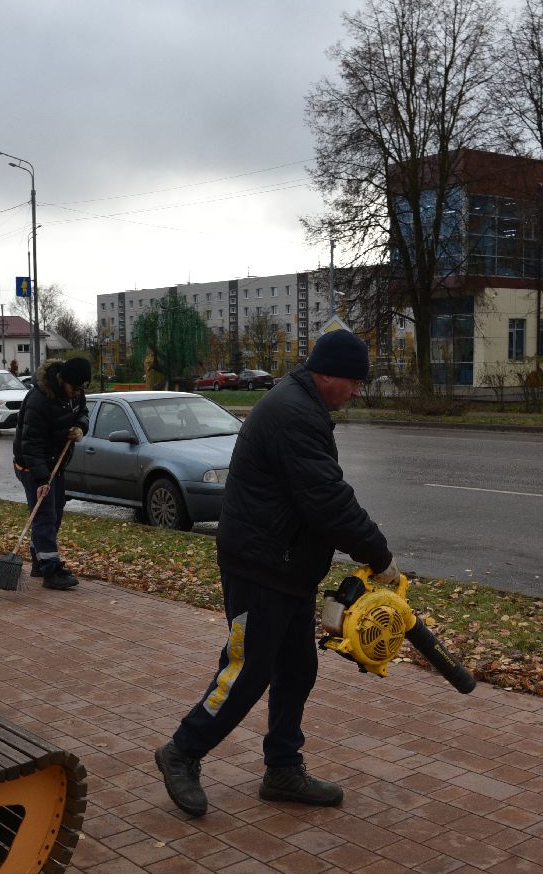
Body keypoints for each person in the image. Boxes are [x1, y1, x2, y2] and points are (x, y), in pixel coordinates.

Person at [154, 329, 397, 818]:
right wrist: (378, 555)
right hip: (259, 567)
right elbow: (327, 498)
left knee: (296, 671)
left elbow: (314, 497)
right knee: (248, 670)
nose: (356, 392)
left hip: (285, 567)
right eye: (353, 382)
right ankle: (181, 752)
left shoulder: (303, 406)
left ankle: (282, 769)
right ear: (328, 374)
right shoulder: (294, 414)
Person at [11, 356, 91, 590]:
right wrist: (42, 479)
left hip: (56, 463)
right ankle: (51, 571)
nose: (77, 393)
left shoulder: (74, 393)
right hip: (31, 466)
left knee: (55, 513)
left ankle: (39, 560)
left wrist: (80, 428)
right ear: (62, 380)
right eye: (74, 388)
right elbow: (31, 444)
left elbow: (83, 411)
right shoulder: (39, 400)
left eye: (80, 389)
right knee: (44, 516)